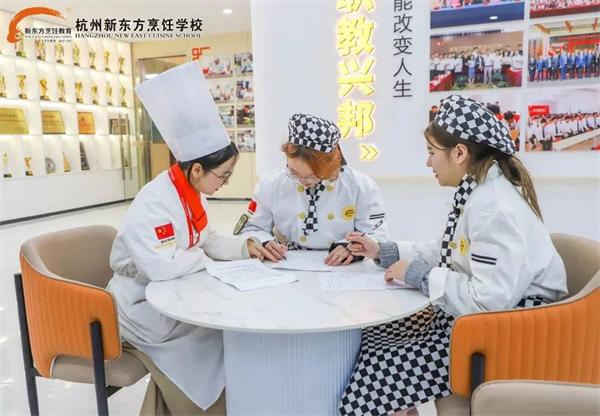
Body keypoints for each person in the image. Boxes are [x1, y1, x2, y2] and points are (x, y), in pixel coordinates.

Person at [338, 95, 567, 415]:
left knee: (369, 380)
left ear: (460, 153)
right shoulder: (480, 192)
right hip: (485, 322)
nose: (427, 162)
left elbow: (487, 302)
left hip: (509, 334)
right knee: (375, 336)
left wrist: (418, 275)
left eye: (432, 153)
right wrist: (384, 251)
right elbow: (448, 251)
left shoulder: (495, 209)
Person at [107, 62, 272, 415]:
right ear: (197, 169)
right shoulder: (155, 203)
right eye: (223, 176)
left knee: (227, 332)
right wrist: (205, 259)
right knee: (208, 342)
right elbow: (161, 268)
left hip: (174, 294)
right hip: (141, 305)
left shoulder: (191, 194)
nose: (224, 184)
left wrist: (245, 247)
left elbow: (206, 238)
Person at [235, 113, 389, 265]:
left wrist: (352, 248)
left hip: (343, 266)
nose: (303, 182)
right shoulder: (271, 184)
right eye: (293, 173)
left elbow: (376, 233)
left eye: (312, 176)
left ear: (332, 165)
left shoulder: (361, 186)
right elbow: (252, 227)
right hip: (287, 261)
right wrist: (263, 241)